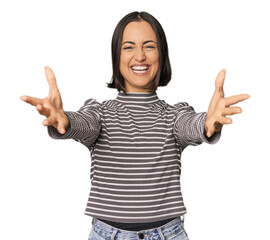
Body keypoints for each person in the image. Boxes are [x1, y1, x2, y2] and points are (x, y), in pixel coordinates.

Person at [20, 11, 250, 240]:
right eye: (128, 47)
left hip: (168, 234)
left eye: (149, 46)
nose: (139, 56)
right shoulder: (100, 112)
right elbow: (85, 124)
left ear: (162, 54)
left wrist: (209, 123)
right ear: (116, 56)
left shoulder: (175, 114)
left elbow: (191, 126)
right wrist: (65, 120)